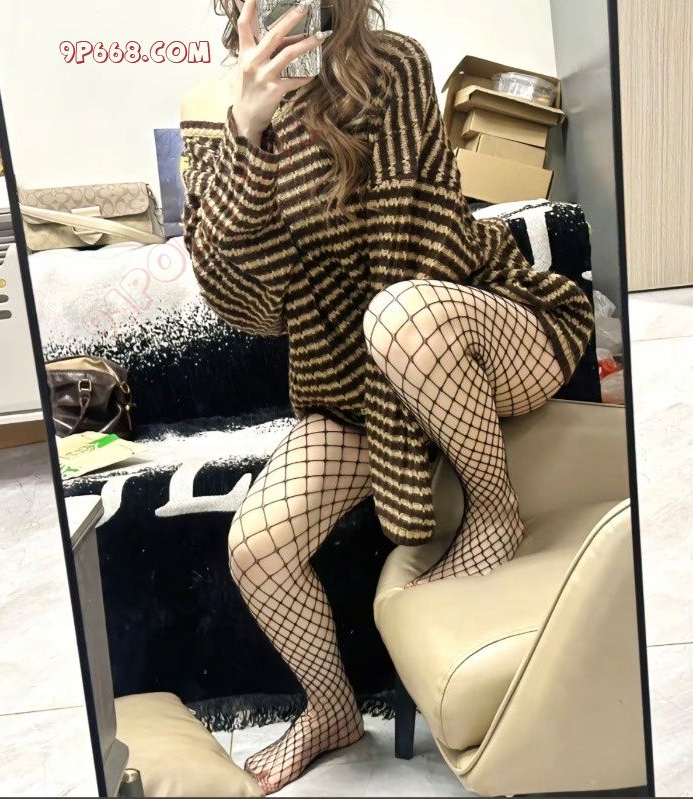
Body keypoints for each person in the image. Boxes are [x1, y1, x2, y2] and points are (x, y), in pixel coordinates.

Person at [179, 0, 596, 792]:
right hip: (349, 380)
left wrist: (401, 471)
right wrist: (249, 137)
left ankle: (494, 510)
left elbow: (419, 243)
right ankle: (331, 710)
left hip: (476, 322)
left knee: (401, 316)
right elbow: (249, 306)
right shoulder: (217, 117)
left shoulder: (390, 64)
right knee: (257, 548)